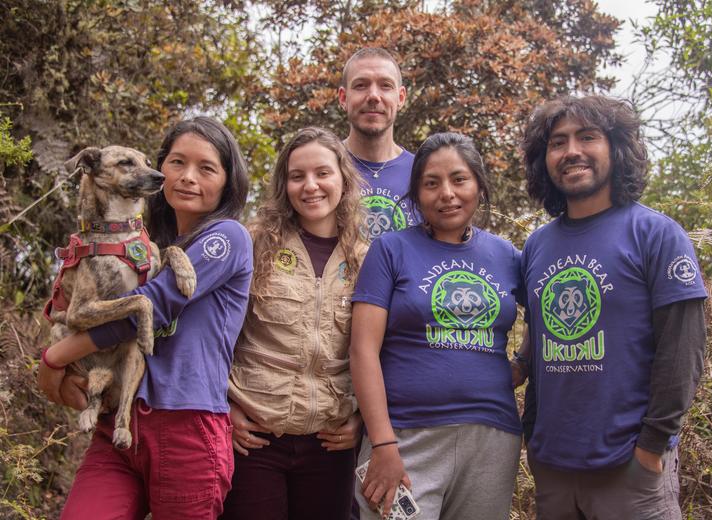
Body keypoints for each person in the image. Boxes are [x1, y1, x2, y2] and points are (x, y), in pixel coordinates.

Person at [37, 116, 252, 519]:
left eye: (206, 168)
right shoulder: (144, 243)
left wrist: (55, 358)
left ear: (227, 181)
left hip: (186, 427)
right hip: (121, 423)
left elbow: (155, 302)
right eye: (176, 163)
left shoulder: (228, 237)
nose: (188, 177)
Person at [515, 95, 707, 519]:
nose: (572, 151)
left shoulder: (656, 235)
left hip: (629, 469)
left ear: (615, 148)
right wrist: (532, 431)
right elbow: (538, 335)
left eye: (588, 137)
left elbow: (684, 351)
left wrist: (652, 448)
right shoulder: (536, 246)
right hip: (553, 468)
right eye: (558, 142)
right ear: (543, 159)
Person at [350, 132, 523, 519]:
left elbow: (547, 313)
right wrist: (382, 444)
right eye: (432, 183)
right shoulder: (390, 249)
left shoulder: (506, 255)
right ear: (416, 193)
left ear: (479, 184)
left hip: (491, 436)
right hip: (406, 438)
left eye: (459, 179)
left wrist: (524, 362)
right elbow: (363, 350)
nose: (447, 193)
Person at [221, 127, 369, 520]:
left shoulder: (367, 260)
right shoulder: (252, 244)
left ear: (343, 179)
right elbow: (211, 334)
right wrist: (225, 407)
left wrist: (361, 420)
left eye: (322, 173)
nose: (311, 186)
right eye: (297, 176)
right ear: (283, 184)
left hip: (330, 445)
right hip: (254, 440)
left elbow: (381, 353)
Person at [339, 47, 418, 240]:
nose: (374, 96)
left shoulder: (423, 173)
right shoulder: (321, 169)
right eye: (360, 85)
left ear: (400, 98)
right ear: (343, 98)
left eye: (385, 85)